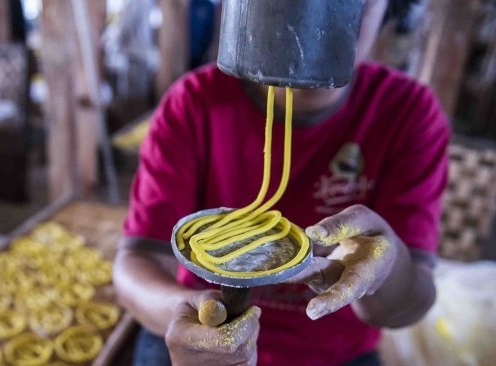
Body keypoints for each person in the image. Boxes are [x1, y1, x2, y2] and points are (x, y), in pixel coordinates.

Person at [113, 0, 449, 365]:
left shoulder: (408, 113)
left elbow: (407, 306)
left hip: (332, 356)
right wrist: (196, 321)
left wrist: (387, 263)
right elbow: (136, 264)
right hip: (188, 343)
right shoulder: (194, 102)